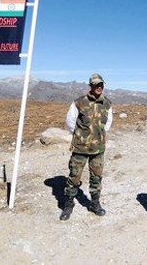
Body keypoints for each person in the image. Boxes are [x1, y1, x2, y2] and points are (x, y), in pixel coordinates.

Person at [60, 73, 113, 221]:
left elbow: (107, 124)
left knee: (96, 177)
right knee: (74, 176)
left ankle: (94, 204)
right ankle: (68, 205)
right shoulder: (79, 102)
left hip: (98, 149)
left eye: (101, 84)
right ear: (90, 86)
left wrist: (98, 135)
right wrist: (80, 136)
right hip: (80, 148)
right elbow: (70, 122)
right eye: (96, 85)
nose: (99, 87)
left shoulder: (107, 104)